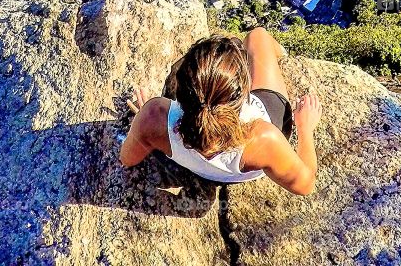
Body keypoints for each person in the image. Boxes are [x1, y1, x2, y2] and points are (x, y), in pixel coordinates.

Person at [119, 27, 321, 195]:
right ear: (244, 92)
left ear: (179, 89)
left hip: (198, 170)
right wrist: (305, 128)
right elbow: (306, 185)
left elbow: (126, 160)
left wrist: (145, 120)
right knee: (257, 37)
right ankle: (286, 56)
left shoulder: (154, 116)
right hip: (248, 159)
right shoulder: (263, 138)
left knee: (254, 40)